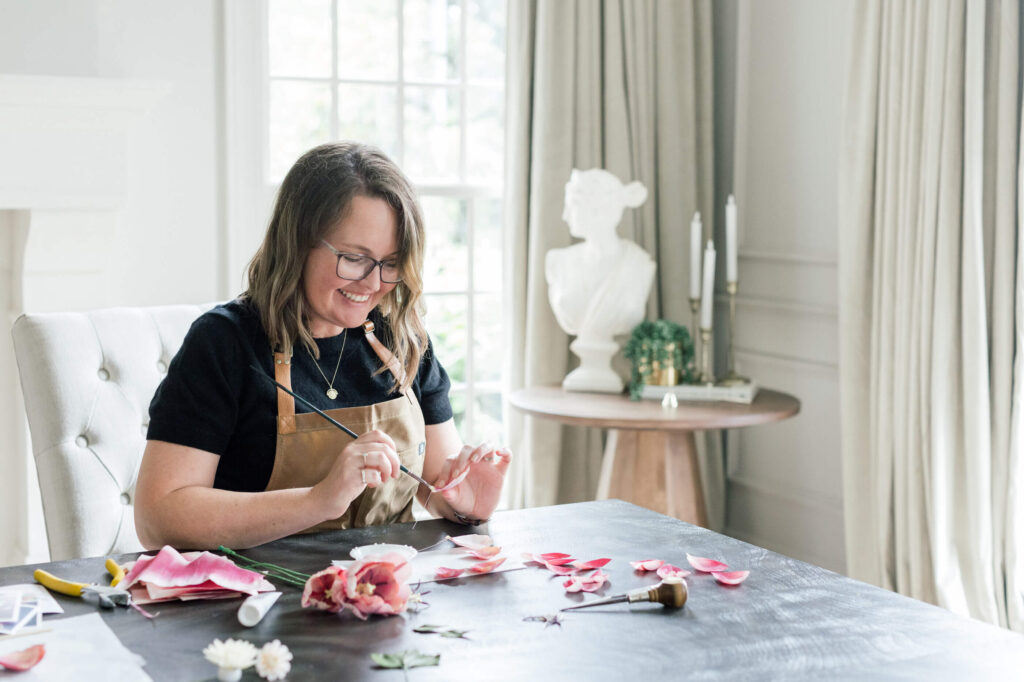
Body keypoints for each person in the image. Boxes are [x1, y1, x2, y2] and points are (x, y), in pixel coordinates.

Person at [134, 141, 511, 550]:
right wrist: (318, 501)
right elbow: (159, 518)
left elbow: (438, 487)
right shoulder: (224, 344)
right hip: (253, 601)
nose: (372, 283)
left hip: (384, 594)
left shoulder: (403, 341)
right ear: (298, 241)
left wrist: (466, 505)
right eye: (354, 258)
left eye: (391, 263)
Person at [545, 168, 654, 391]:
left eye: (572, 206)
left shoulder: (638, 264)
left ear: (596, 209)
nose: (565, 215)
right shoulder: (559, 262)